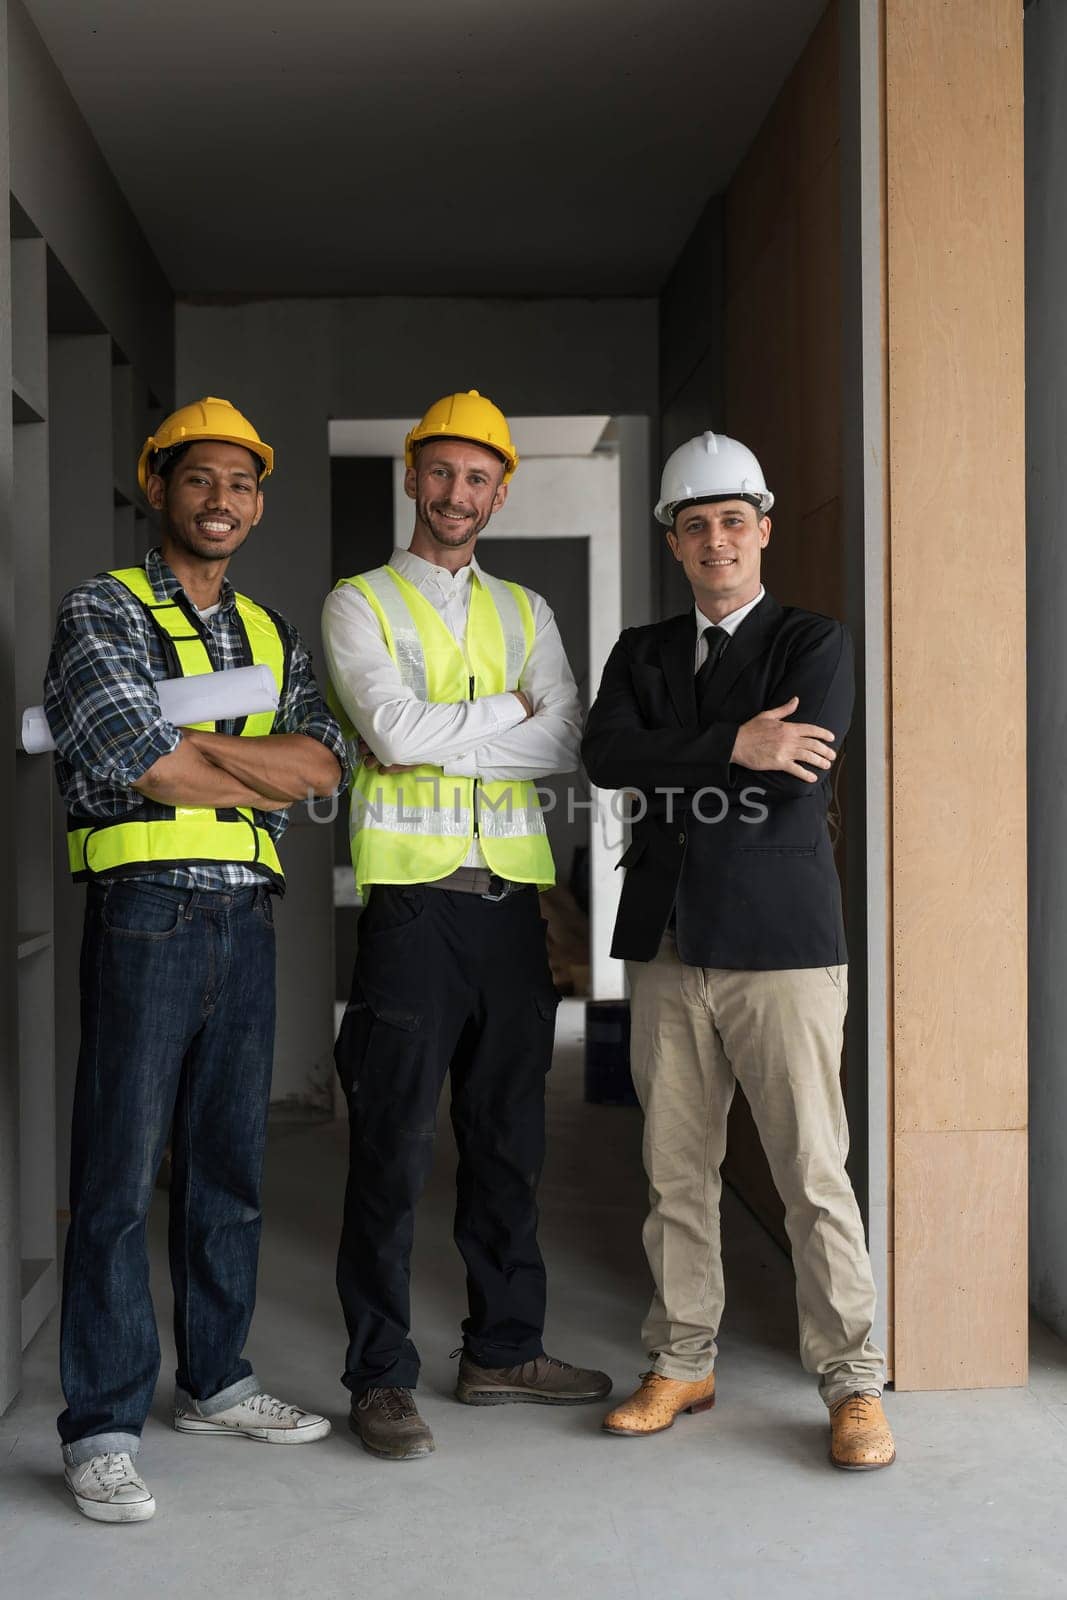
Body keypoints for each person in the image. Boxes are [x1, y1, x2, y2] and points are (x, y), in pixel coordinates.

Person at [45, 397, 346, 1523]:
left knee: (229, 1164)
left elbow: (323, 767)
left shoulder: (272, 630)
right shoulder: (101, 610)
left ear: (258, 503)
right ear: (158, 490)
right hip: (145, 910)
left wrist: (193, 744)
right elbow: (136, 760)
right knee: (119, 1176)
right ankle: (102, 1426)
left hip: (244, 916)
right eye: (200, 480)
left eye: (241, 483)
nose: (222, 500)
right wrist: (228, 758)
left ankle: (215, 1379)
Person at [581, 431, 894, 1471]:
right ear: (671, 541)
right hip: (667, 941)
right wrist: (729, 741)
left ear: (760, 530)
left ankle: (852, 1383)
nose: (714, 540)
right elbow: (602, 754)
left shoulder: (815, 644)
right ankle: (681, 1359)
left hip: (782, 948)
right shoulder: (639, 652)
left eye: (731, 521)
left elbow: (788, 779)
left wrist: (690, 757)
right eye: (693, 525)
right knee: (674, 1171)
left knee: (811, 1171)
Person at [322, 389, 611, 1460]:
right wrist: (505, 717)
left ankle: (503, 1346)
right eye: (439, 473)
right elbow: (389, 734)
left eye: (476, 477)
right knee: (390, 1147)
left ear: (499, 489)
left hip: (511, 915)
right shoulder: (358, 602)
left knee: (510, 1143)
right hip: (411, 910)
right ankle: (379, 1376)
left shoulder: (526, 610)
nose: (456, 494)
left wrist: (449, 733)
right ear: (411, 478)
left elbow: (566, 740)